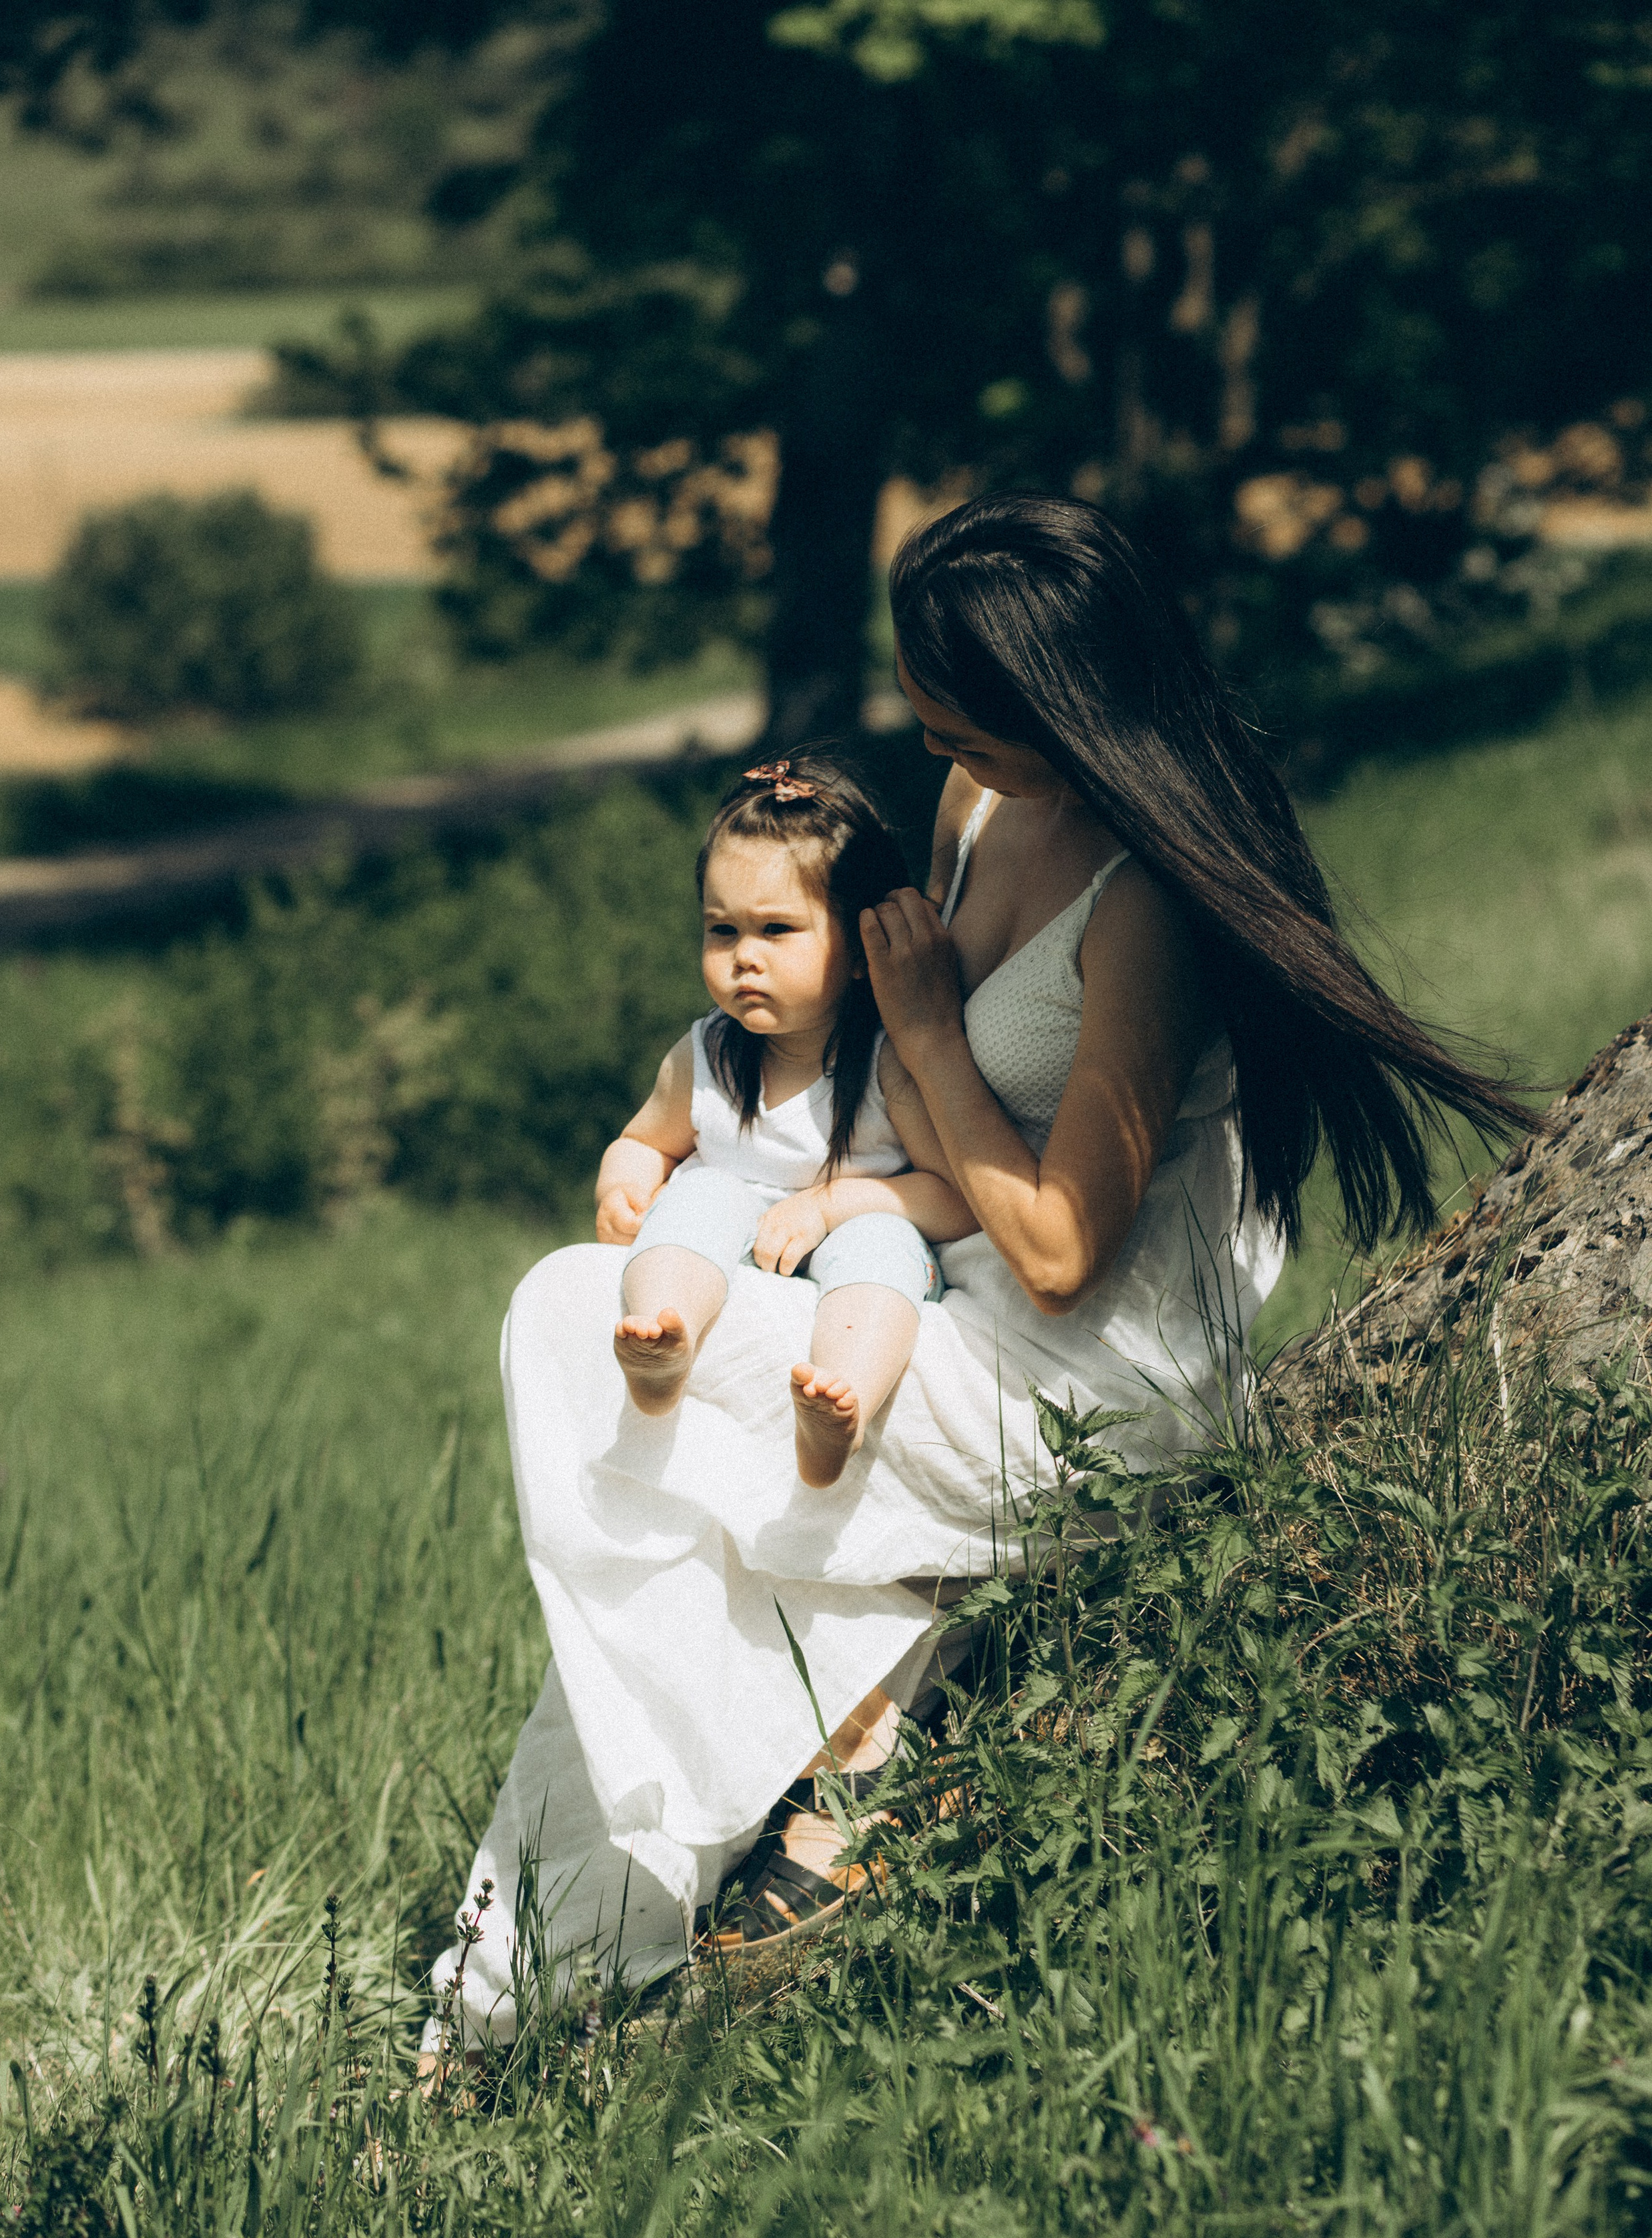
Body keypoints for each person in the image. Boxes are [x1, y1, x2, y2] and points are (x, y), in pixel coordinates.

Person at [425, 494, 1531, 2050]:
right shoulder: (972, 797)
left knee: (583, 1331)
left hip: (1073, 1367)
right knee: (639, 1410)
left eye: (969, 720)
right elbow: (864, 1037)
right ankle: (535, 1982)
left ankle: (667, 1869)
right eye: (928, 711)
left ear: (1062, 702)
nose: (940, 743)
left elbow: (1067, 1250)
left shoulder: (1143, 899)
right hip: (927, 1273)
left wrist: (933, 1035)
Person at [601, 753, 977, 1490]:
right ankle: (662, 1340)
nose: (744, 958)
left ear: (863, 948)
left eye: (776, 929)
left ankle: (841, 1406)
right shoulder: (707, 1054)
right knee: (700, 1194)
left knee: (883, 1244)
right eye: (721, 931)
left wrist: (834, 1204)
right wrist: (624, 1185)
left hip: (852, 1244)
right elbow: (645, 1139)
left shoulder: (886, 1064)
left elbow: (956, 1196)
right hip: (730, 1247)